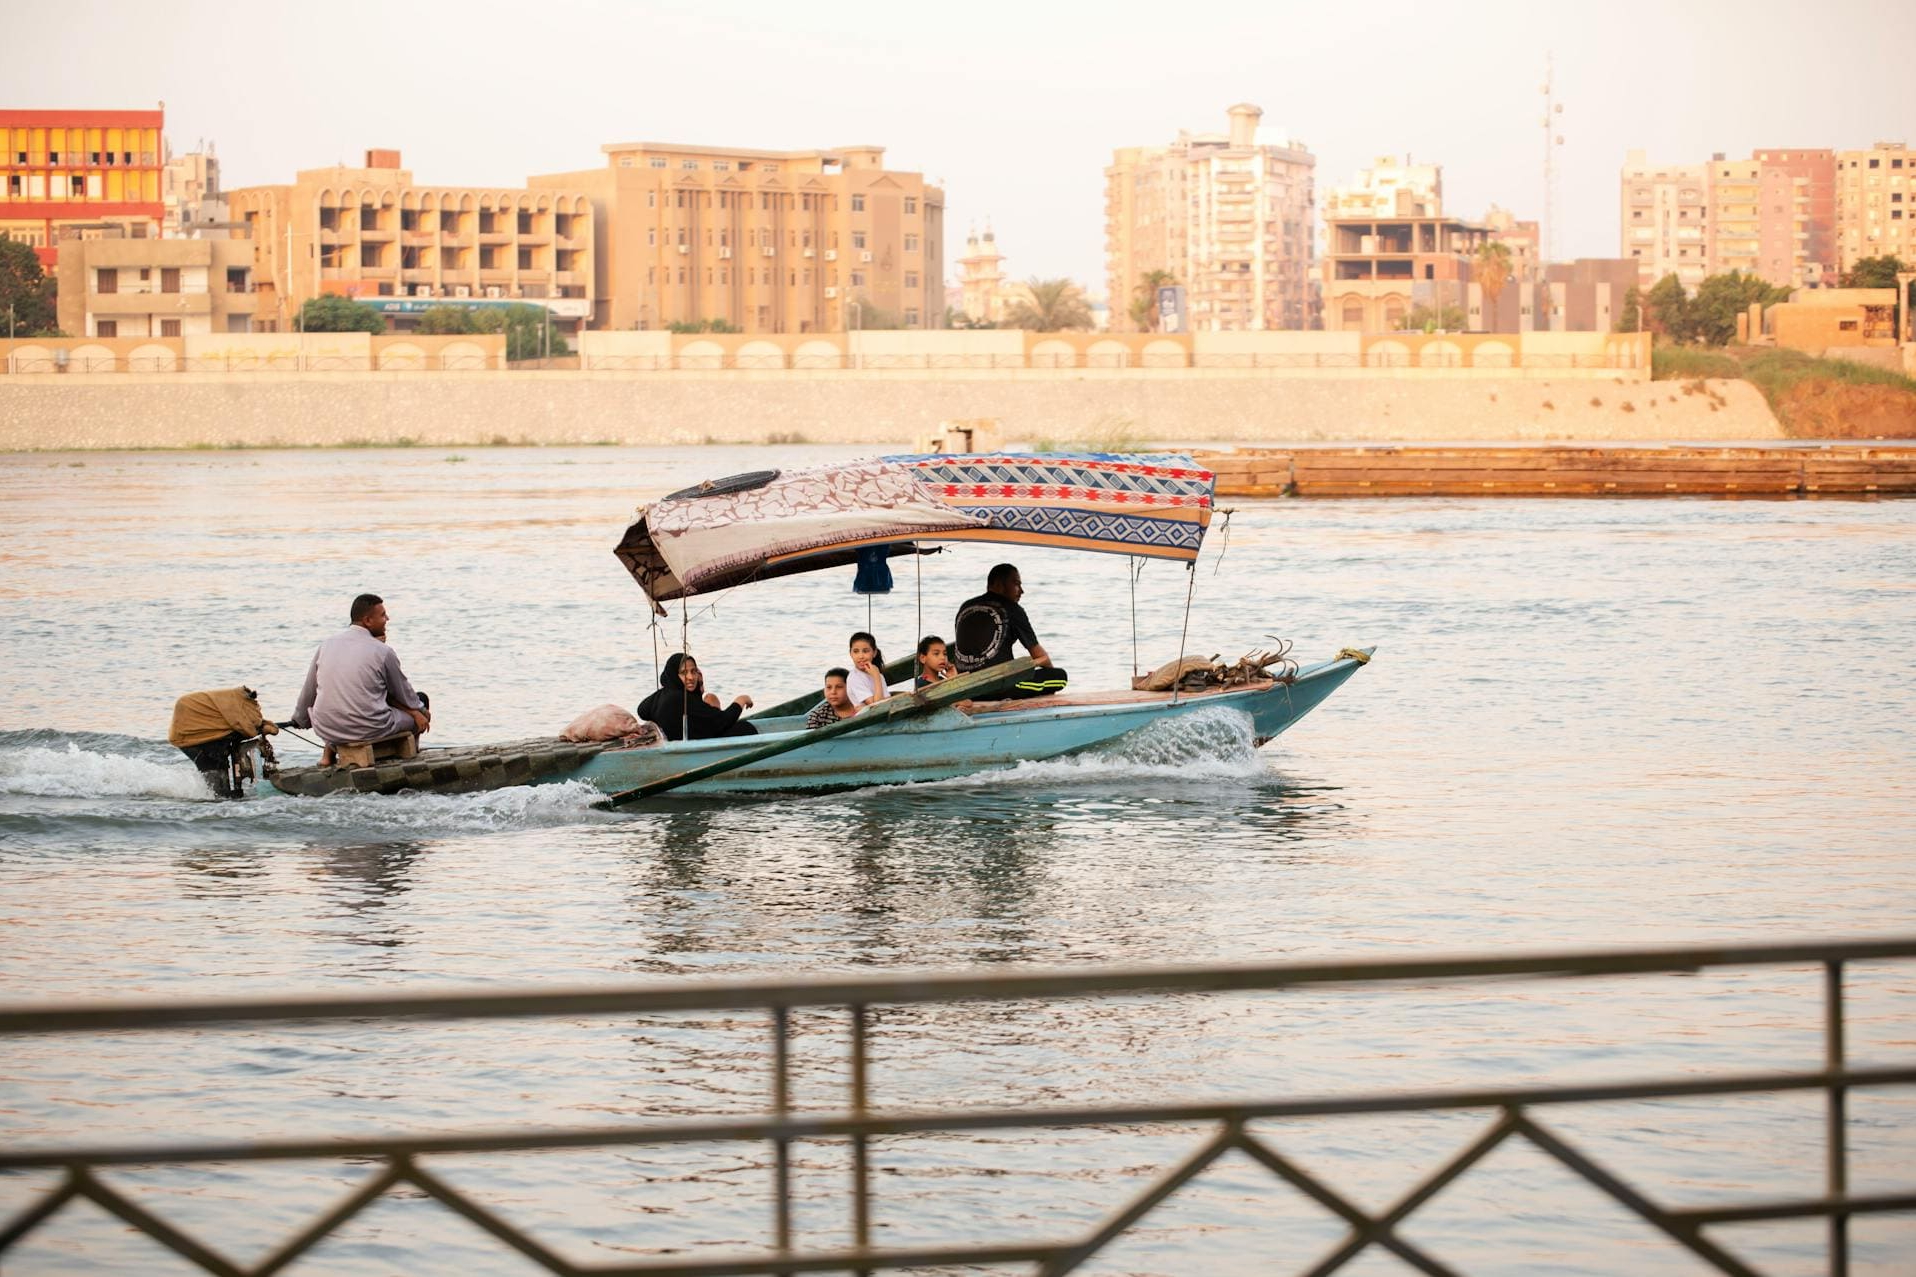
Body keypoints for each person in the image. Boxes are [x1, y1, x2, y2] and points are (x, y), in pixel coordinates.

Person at [288, 594, 430, 766]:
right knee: (420, 703)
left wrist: (300, 719)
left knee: (344, 700)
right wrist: (421, 711)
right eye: (383, 615)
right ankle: (410, 755)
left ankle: (328, 757)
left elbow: (309, 690)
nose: (387, 619)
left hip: (327, 728)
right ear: (368, 620)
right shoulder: (383, 652)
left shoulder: (326, 644)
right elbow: (404, 695)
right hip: (367, 727)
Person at [952, 563, 1068, 697]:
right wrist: (1050, 674)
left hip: (966, 688)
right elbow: (1038, 654)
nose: (1021, 591)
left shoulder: (966, 606)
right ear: (999, 584)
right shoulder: (1013, 609)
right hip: (998, 687)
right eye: (1016, 584)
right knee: (1060, 676)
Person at [637, 652, 757, 741]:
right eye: (684, 673)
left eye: (693, 671)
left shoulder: (665, 693)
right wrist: (741, 700)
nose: (691, 677)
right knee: (745, 727)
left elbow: (642, 710)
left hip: (683, 735)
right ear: (674, 674)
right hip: (688, 743)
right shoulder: (680, 698)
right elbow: (723, 720)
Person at [845, 631, 890, 708]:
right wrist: (876, 677)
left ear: (874, 653)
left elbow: (886, 700)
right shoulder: (854, 678)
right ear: (851, 654)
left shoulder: (878, 675)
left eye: (865, 651)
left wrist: (877, 676)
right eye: (856, 651)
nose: (861, 656)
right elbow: (877, 707)